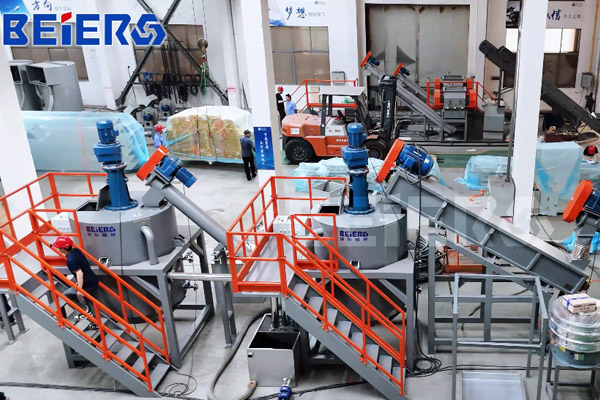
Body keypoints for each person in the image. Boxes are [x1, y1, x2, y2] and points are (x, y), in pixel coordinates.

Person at [52, 236, 100, 329]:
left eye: (59, 247)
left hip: (87, 285)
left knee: (66, 295)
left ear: (63, 249)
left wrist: (79, 290)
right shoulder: (76, 251)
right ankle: (90, 313)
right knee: (90, 302)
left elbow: (80, 274)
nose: (58, 249)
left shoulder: (71, 260)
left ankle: (85, 311)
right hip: (93, 279)